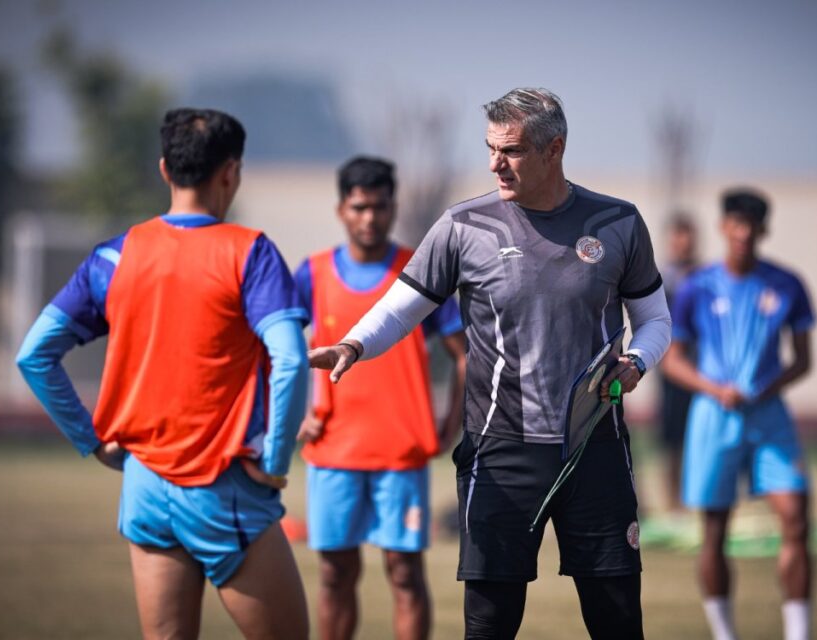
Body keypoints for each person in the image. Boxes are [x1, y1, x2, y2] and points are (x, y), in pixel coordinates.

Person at [309, 88, 672, 639]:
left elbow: (655, 320)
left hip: (594, 446)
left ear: (555, 149)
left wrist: (638, 362)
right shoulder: (463, 225)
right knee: (489, 624)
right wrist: (353, 345)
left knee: (618, 620)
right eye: (490, 149)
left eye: (512, 150)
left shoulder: (618, 222)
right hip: (499, 450)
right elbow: (400, 310)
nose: (495, 164)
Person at [16, 108, 310, 639]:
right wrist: (274, 461)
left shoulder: (113, 257)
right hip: (222, 485)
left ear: (164, 169)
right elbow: (290, 358)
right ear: (231, 172)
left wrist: (91, 440)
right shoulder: (251, 253)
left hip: (145, 486)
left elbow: (34, 355)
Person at [292, 156, 467, 640]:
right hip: (333, 450)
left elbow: (464, 356)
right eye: (359, 207)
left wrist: (450, 424)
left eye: (380, 207)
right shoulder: (312, 273)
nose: (369, 218)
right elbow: (279, 350)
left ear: (393, 208)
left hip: (400, 452)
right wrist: (293, 414)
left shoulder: (419, 272)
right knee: (335, 574)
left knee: (406, 574)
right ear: (341, 210)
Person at [661, 189, 815, 640]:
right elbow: (672, 360)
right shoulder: (697, 286)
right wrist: (714, 389)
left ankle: (798, 633)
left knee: (796, 517)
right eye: (737, 223)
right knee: (714, 531)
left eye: (752, 225)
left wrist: (768, 388)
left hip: (769, 416)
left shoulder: (787, 284)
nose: (744, 233)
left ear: (763, 230)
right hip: (714, 416)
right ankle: (725, 634)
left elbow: (803, 360)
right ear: (724, 226)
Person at [657, 212, 700, 513]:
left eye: (687, 236)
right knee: (672, 438)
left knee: (699, 436)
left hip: (703, 370)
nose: (682, 242)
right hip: (671, 369)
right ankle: (674, 503)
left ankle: (698, 499)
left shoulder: (705, 277)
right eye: (677, 236)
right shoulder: (661, 279)